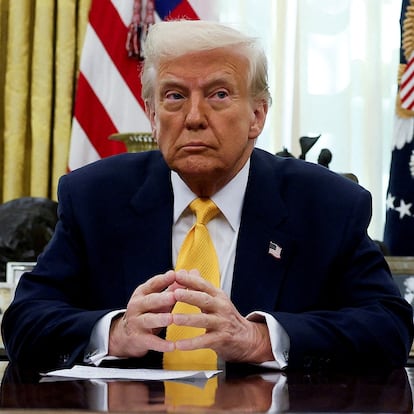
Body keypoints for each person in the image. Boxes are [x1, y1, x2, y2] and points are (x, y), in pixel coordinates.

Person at [2, 20, 413, 372]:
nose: (194, 118)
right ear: (152, 115)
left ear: (257, 115)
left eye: (218, 95)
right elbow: (25, 321)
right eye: (175, 96)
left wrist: (258, 339)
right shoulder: (95, 197)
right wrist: (116, 331)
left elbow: (388, 326)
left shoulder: (325, 204)